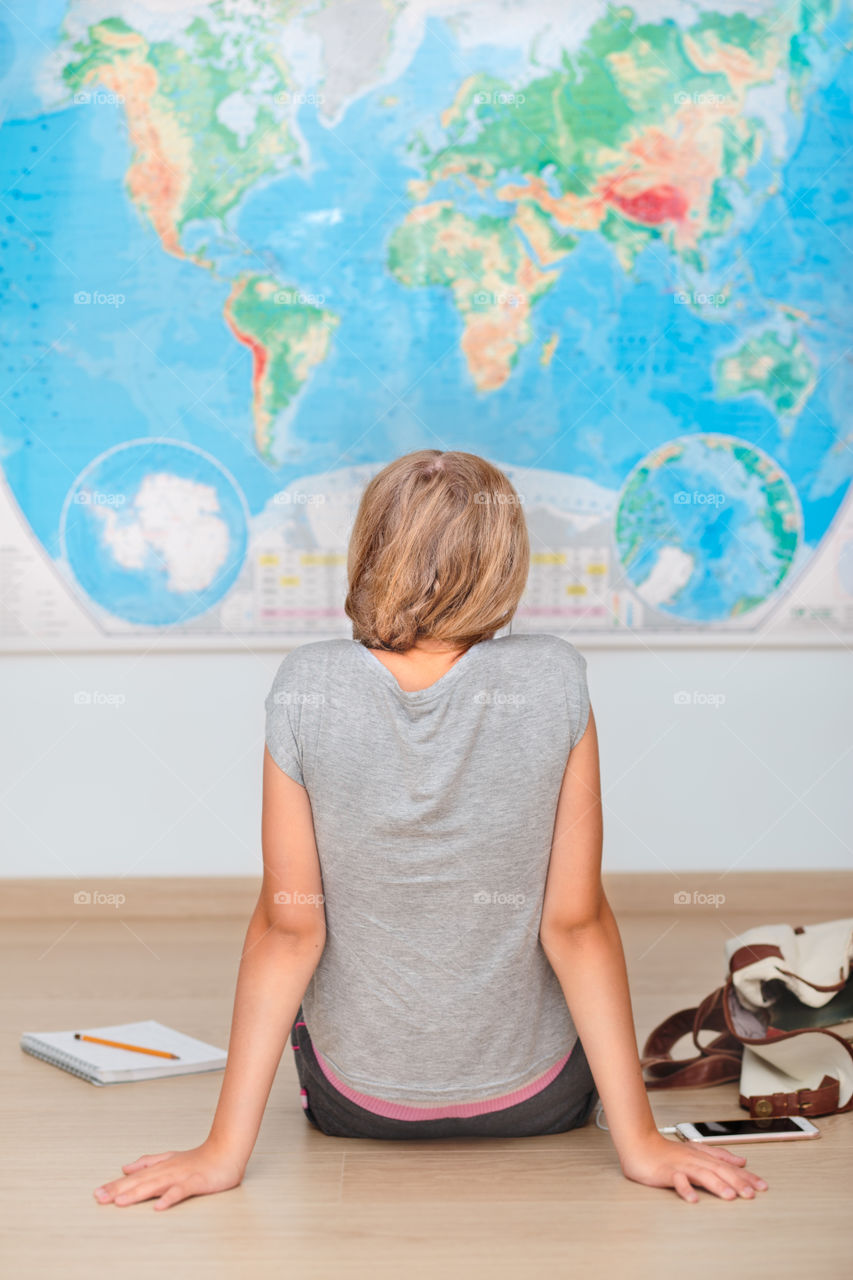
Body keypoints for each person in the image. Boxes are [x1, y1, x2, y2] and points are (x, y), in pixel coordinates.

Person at [93, 450, 768, 1210]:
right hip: (538, 1103)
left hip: (358, 1108)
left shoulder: (305, 686)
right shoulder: (554, 680)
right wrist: (640, 1142)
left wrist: (222, 1154)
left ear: (370, 550)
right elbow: (574, 925)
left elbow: (290, 931)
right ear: (504, 561)